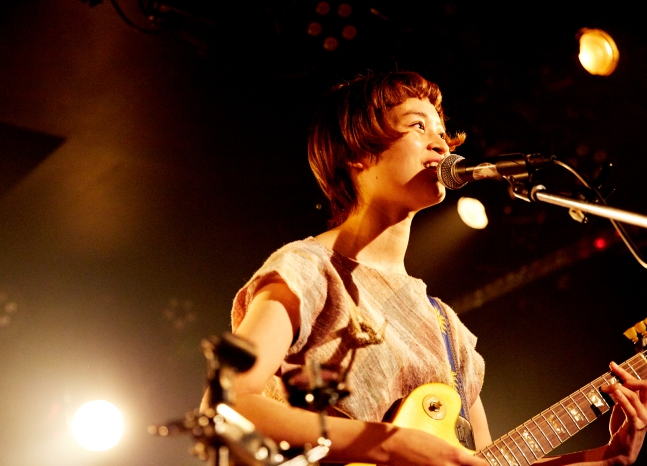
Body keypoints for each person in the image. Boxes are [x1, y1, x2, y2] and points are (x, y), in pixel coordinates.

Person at [222, 71, 647, 465]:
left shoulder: (447, 327)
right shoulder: (309, 269)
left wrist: (606, 459)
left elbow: (482, 463)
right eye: (418, 126)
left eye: (443, 133)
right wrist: (388, 443)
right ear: (356, 153)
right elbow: (228, 403)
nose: (443, 145)